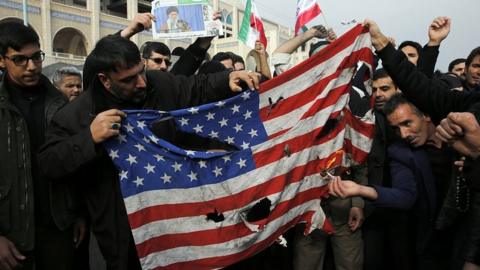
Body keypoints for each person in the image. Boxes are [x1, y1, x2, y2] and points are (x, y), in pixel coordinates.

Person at [37, 34, 259, 270]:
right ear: (105, 79)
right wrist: (88, 138)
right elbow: (49, 162)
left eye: (141, 71)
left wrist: (227, 79)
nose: (141, 82)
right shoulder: (79, 114)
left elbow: (194, 87)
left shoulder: (157, 84)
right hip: (123, 228)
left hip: (174, 213)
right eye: (129, 79)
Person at [365, 18, 480, 270]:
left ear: (427, 116)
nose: (404, 134)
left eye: (407, 124)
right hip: (433, 242)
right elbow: (423, 89)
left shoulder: (455, 135)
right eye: (397, 128)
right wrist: (384, 47)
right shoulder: (402, 152)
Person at [0, 22, 85, 270]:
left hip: (57, 227)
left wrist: (77, 213)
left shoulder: (60, 104)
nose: (32, 66)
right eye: (20, 60)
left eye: (36, 57)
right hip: (11, 235)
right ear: (2, 60)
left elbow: (72, 163)